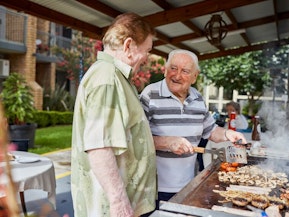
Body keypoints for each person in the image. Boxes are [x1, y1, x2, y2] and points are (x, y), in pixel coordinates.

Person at [71, 13, 157, 217]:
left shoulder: (115, 76)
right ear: (128, 46)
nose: (147, 58)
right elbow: (100, 146)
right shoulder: (107, 78)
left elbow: (128, 136)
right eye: (146, 51)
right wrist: (118, 201)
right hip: (114, 209)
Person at [139, 49, 247, 209]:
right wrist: (167, 142)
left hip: (189, 185)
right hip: (154, 188)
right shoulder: (150, 95)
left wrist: (228, 133)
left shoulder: (197, 98)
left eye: (185, 71)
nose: (177, 75)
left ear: (195, 76)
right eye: (173, 68)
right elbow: (137, 138)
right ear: (165, 70)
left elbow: (210, 131)